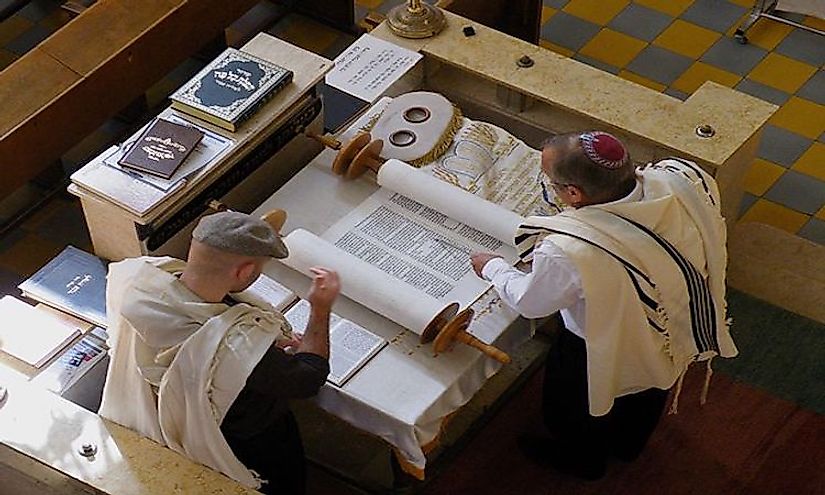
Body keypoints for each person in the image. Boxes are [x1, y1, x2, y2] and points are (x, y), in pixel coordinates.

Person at [470, 131, 737, 480]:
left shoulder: (573, 248)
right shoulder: (682, 178)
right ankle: (628, 446)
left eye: (551, 182)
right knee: (648, 391)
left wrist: (493, 267)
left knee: (577, 410)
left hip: (596, 345)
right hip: (672, 323)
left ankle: (583, 462)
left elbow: (531, 302)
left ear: (573, 193)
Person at [99, 211, 340, 494]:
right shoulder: (232, 346)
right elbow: (308, 378)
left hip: (162, 416)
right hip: (245, 441)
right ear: (244, 272)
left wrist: (262, 342)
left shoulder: (137, 279)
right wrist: (320, 309)